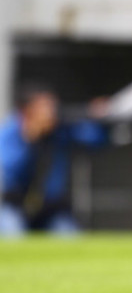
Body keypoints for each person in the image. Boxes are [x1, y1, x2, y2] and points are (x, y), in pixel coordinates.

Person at [0, 83, 108, 236]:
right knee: (10, 238)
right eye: (44, 107)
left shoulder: (61, 130)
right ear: (26, 110)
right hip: (16, 205)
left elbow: (94, 141)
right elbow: (12, 170)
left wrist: (99, 120)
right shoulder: (9, 132)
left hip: (52, 208)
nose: (50, 112)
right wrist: (31, 140)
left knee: (71, 241)